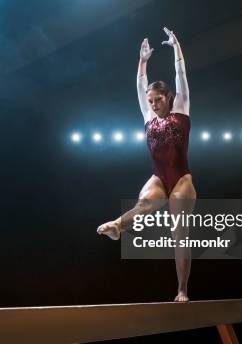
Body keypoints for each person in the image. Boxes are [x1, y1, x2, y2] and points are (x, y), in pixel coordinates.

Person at [97, 28, 196, 302]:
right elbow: (140, 85)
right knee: (144, 204)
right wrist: (143, 61)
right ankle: (118, 226)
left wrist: (176, 47)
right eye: (150, 101)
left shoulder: (182, 109)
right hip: (158, 176)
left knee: (179, 233)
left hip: (181, 180)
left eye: (158, 100)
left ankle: (182, 289)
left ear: (169, 98)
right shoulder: (147, 116)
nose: (153, 105)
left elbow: (181, 76)